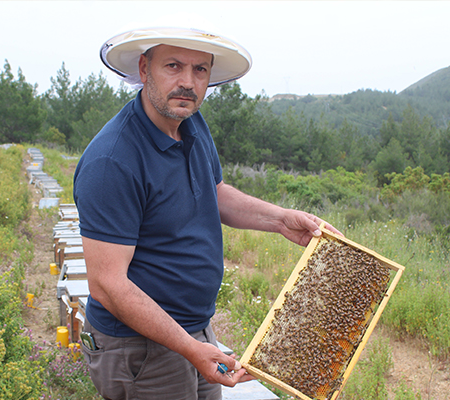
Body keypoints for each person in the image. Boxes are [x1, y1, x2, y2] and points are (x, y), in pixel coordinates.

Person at [73, 27, 342, 400]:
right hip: (139, 347)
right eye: (173, 65)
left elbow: (213, 193)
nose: (187, 82)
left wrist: (281, 220)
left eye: (200, 70)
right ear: (144, 68)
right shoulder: (112, 161)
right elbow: (107, 284)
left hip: (194, 331)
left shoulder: (191, 122)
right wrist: (189, 347)